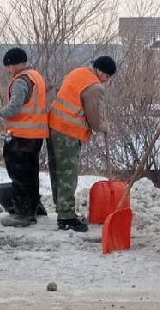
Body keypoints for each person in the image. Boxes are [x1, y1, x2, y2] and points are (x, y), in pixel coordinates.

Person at [47, 56, 115, 232]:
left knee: (57, 171)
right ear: (99, 70)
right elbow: (94, 118)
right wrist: (103, 126)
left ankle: (62, 209)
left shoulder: (78, 72)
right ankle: (66, 217)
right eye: (106, 75)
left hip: (54, 125)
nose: (106, 80)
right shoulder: (94, 86)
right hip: (69, 131)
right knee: (68, 174)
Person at [0, 47, 47, 227]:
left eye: (8, 66)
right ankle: (33, 208)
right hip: (35, 135)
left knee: (20, 175)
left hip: (21, 137)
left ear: (14, 64)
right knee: (31, 175)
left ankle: (23, 214)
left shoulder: (21, 81)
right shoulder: (35, 77)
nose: (8, 70)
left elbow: (14, 108)